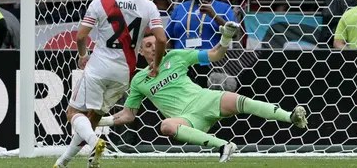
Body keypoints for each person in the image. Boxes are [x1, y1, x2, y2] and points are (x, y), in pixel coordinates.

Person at [98, 26, 308, 163]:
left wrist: (225, 37)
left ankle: (291, 117)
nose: (153, 48)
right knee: (166, 126)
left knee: (241, 101)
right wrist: (100, 121)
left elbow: (215, 55)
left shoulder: (176, 56)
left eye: (156, 44)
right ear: (140, 51)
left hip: (206, 99)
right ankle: (223, 146)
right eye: (148, 46)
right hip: (187, 118)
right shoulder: (138, 80)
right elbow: (128, 115)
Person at [54, 0, 167, 168]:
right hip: (124, 73)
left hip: (99, 68)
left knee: (73, 113)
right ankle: (63, 162)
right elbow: (161, 39)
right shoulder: (148, 6)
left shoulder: (101, 2)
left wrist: (82, 55)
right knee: (93, 118)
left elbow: (81, 36)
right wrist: (156, 65)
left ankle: (94, 142)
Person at [166, 0, 237, 49]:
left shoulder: (224, 8)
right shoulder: (180, 8)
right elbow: (168, 38)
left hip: (211, 56)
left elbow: (234, 33)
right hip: (181, 56)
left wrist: (214, 16)